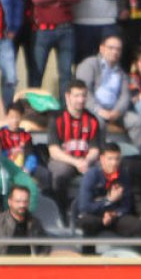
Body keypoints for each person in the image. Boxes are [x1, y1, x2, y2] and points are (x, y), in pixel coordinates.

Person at [76, 143, 141, 252]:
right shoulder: (91, 175)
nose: (114, 163)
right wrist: (109, 200)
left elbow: (127, 205)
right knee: (87, 223)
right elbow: (85, 206)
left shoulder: (124, 175)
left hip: (115, 216)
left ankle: (138, 260)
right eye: (110, 159)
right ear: (102, 159)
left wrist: (113, 214)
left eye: (117, 159)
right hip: (95, 216)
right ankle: (88, 259)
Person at [75, 34, 141, 148]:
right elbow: (83, 90)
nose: (115, 52)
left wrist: (117, 111)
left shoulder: (121, 71)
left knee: (137, 121)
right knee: (98, 123)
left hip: (114, 112)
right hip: (93, 110)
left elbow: (125, 96)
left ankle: (136, 155)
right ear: (101, 48)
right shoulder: (89, 64)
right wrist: (99, 110)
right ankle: (101, 156)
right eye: (111, 48)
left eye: (118, 49)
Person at [47, 81, 103, 217]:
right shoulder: (57, 118)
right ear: (67, 97)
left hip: (85, 160)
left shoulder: (92, 119)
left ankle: (96, 210)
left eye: (83, 96)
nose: (81, 100)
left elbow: (95, 149)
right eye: (77, 96)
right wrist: (76, 162)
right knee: (60, 172)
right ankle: (62, 211)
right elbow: (53, 151)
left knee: (105, 168)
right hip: (64, 160)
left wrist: (86, 161)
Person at [0, 184, 49, 256]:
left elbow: (46, 245)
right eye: (18, 201)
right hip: (3, 265)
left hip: (28, 266)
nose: (22, 205)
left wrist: (39, 259)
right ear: (10, 202)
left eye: (25, 201)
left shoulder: (35, 222)